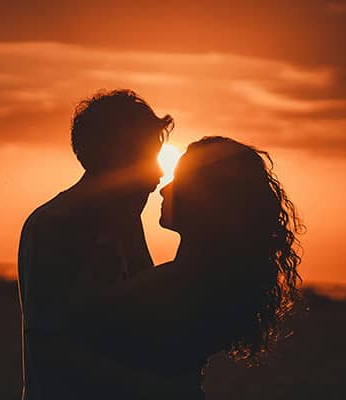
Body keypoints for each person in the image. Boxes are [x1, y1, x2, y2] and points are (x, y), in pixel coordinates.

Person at [58, 136, 305, 399]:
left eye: (180, 181)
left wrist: (109, 227)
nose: (164, 189)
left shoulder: (180, 285)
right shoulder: (210, 280)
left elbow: (77, 317)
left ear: (207, 199)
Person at [17, 89, 173, 399]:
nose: (158, 175)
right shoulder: (53, 225)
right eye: (145, 157)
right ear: (111, 154)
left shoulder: (123, 222)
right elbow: (52, 339)